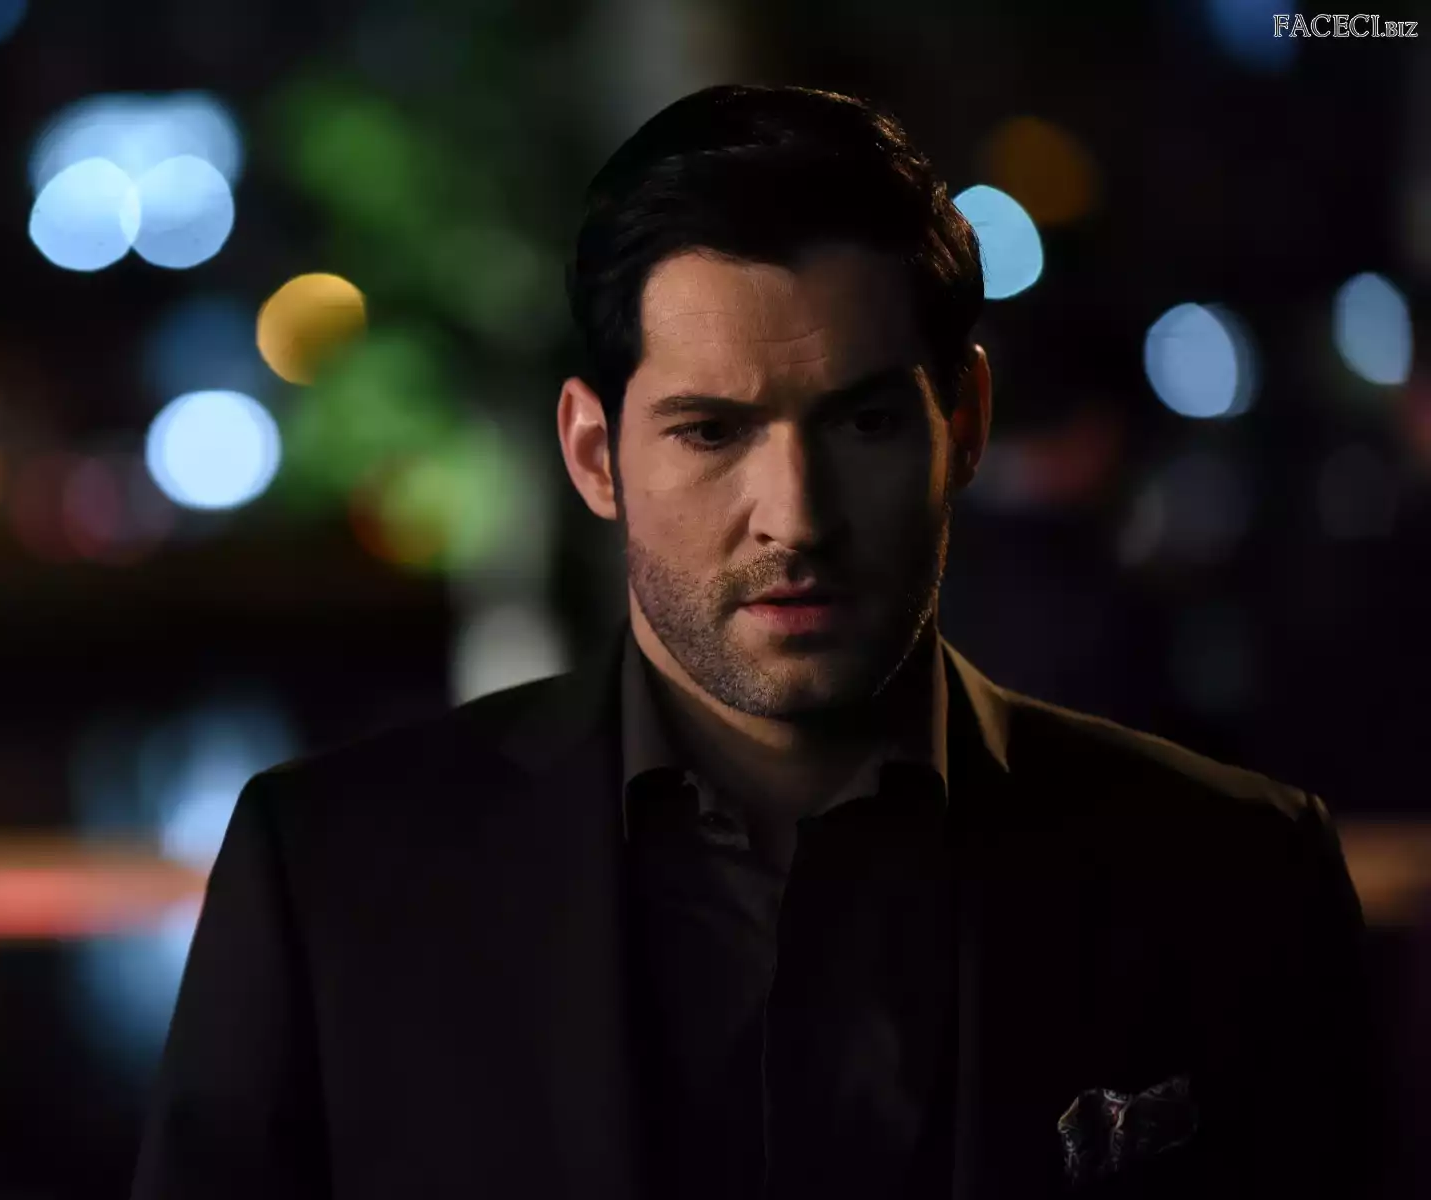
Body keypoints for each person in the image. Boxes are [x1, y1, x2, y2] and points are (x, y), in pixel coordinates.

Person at [131, 85, 1380, 1199]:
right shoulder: (330, 882)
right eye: (711, 432)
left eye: (863, 423)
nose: (797, 516)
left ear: (965, 424)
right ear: (593, 455)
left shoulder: (1235, 873)